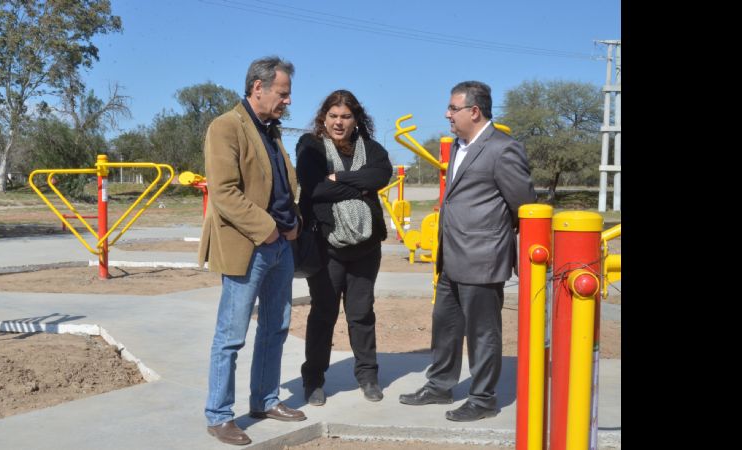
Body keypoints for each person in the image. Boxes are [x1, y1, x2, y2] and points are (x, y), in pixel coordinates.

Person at [399, 81, 536, 421]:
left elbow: (524, 204)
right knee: (444, 325)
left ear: (474, 111)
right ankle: (439, 385)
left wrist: (494, 238)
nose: (447, 114)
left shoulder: (502, 148)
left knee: (482, 333)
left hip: (483, 258)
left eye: (453, 108)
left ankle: (483, 399)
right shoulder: (460, 146)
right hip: (452, 257)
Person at [198, 56, 306, 446]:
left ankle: (265, 399)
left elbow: (280, 187)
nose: (288, 101)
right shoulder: (226, 127)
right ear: (257, 88)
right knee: (231, 335)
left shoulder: (271, 131)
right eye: (283, 93)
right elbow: (224, 192)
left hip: (280, 247)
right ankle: (219, 415)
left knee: (275, 328)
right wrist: (271, 230)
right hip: (249, 246)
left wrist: (292, 223)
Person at [295, 90, 393, 406]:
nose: (339, 122)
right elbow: (316, 188)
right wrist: (359, 186)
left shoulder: (373, 149)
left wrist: (340, 177)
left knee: (362, 314)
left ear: (356, 119)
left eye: (346, 116)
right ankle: (313, 381)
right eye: (334, 116)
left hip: (366, 248)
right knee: (323, 314)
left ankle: (368, 377)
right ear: (324, 118)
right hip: (326, 247)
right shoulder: (310, 146)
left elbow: (381, 175)